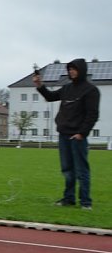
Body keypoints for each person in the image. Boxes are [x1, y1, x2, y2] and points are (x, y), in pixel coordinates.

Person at [33, 58, 100, 210]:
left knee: (81, 170)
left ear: (81, 70)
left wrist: (82, 133)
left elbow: (92, 115)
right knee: (67, 169)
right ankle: (69, 198)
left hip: (77, 137)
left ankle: (86, 202)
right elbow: (50, 97)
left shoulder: (91, 90)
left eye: (74, 69)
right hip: (63, 135)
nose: (71, 71)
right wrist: (39, 85)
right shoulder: (67, 88)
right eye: (69, 69)